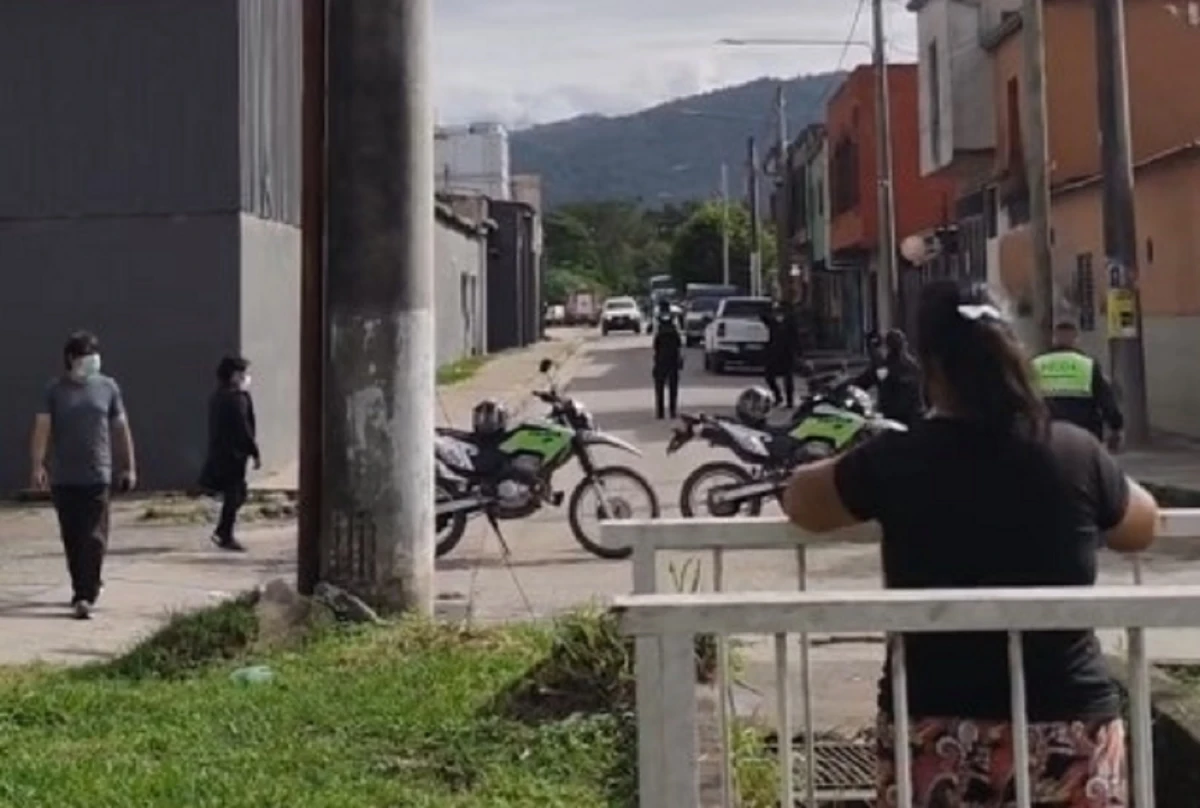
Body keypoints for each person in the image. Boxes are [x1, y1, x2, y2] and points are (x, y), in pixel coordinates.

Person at [781, 280, 1158, 806]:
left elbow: (802, 501)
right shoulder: (1073, 452)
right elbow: (1142, 525)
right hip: (1067, 724)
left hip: (936, 726)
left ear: (930, 367)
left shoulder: (898, 459)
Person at [30, 331, 138, 620]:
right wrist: (38, 465)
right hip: (64, 478)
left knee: (94, 537)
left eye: (95, 354)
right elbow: (43, 428)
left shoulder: (108, 387)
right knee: (73, 538)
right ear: (71, 359)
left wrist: (129, 466)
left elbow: (120, 428)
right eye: (86, 355)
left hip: (97, 474)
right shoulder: (54, 390)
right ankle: (84, 583)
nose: (93, 360)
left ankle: (84, 594)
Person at [1033, 319, 1125, 451]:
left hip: (1046, 432)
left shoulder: (1036, 364)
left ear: (1054, 339)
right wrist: (1116, 427)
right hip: (1084, 433)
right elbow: (1106, 401)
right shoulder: (1088, 364)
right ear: (1075, 339)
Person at [200, 356, 261, 552]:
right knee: (236, 494)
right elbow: (244, 428)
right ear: (233, 375)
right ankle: (224, 534)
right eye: (242, 373)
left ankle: (223, 531)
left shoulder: (218, 396)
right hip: (234, 455)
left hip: (220, 453)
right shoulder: (237, 399)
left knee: (235, 494)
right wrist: (254, 451)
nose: (245, 377)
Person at [854, 329, 925, 426]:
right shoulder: (914, 367)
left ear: (887, 347)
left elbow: (861, 383)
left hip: (892, 421)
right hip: (914, 420)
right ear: (905, 345)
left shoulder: (884, 367)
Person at [762, 301, 799, 408]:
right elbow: (762, 316)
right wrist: (768, 305)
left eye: (780, 311)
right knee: (769, 377)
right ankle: (778, 396)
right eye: (776, 311)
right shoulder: (772, 322)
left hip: (787, 353)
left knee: (788, 378)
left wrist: (798, 353)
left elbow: (796, 338)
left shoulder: (790, 322)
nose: (778, 314)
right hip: (773, 353)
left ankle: (789, 401)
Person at [652, 298, 683, 419]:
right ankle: (672, 411)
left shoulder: (656, 318)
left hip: (660, 358)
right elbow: (679, 342)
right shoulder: (674, 319)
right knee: (673, 387)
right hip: (673, 358)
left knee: (659, 386)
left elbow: (655, 343)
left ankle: (660, 412)